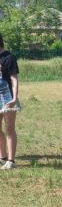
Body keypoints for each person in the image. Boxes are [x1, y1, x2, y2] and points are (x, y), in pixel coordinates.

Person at [0, 34, 20, 170]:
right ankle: (2, 157)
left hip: (7, 97)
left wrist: (14, 98)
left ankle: (11, 161)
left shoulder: (9, 58)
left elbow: (14, 79)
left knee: (9, 128)